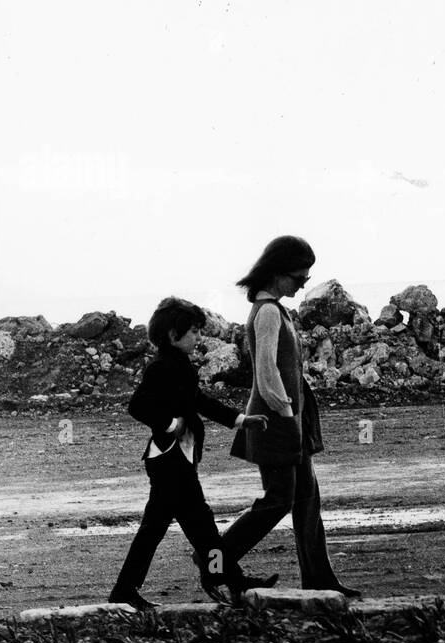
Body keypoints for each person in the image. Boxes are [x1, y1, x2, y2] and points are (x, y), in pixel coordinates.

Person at [110, 296, 275, 610]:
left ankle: (226, 580)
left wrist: (240, 420)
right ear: (174, 335)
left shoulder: (179, 365)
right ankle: (227, 581)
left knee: (193, 529)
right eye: (195, 332)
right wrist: (170, 424)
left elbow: (198, 400)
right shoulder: (161, 367)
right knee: (192, 529)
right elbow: (137, 406)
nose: (200, 338)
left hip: (177, 460)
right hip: (170, 462)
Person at [221, 235, 361, 598]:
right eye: (299, 277)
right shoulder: (267, 312)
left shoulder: (276, 309)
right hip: (275, 422)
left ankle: (320, 581)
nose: (303, 284)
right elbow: (266, 373)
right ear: (277, 273)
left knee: (307, 500)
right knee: (278, 500)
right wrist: (285, 414)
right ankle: (214, 561)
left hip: (291, 420)